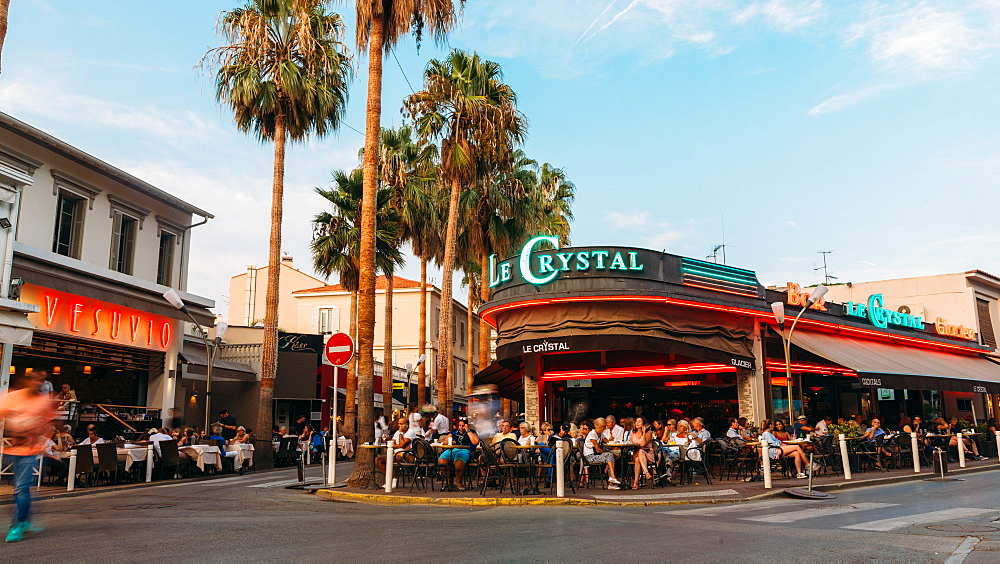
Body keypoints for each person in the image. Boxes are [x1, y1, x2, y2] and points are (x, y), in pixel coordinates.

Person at [0, 369, 56, 542]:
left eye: (41, 381)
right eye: (36, 380)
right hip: (12, 449)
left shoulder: (42, 401)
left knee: (21, 488)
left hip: (29, 451)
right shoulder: (13, 397)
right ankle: (24, 521)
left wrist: (42, 440)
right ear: (26, 381)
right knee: (22, 488)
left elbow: (50, 422)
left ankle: (17, 526)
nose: (38, 383)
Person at [437, 417, 480, 492]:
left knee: (459, 463)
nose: (461, 427)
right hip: (452, 449)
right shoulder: (454, 432)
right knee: (442, 461)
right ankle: (449, 481)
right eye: (460, 425)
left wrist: (468, 430)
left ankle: (459, 482)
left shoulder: (472, 432)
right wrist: (450, 442)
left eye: (463, 425)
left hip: (465, 450)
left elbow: (475, 442)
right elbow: (445, 442)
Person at [584, 418, 620, 488]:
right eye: (604, 427)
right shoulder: (592, 434)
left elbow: (607, 442)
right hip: (590, 456)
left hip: (597, 455)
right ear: (599, 426)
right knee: (609, 456)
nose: (605, 428)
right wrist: (606, 452)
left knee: (611, 456)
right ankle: (612, 479)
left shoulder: (601, 434)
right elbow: (598, 450)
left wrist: (613, 441)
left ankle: (612, 481)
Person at [630, 416, 656, 489]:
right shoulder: (633, 432)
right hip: (635, 453)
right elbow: (630, 443)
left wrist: (644, 432)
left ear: (644, 424)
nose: (637, 423)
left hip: (647, 454)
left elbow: (643, 444)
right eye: (636, 421)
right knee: (639, 453)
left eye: (639, 421)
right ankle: (647, 472)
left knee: (638, 458)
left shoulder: (649, 432)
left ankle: (636, 483)